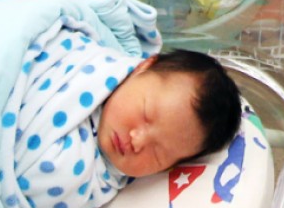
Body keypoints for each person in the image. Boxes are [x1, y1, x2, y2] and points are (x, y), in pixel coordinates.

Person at [96, 48, 242, 178]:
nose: (137, 141)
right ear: (143, 67)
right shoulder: (92, 64)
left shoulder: (97, 184)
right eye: (145, 114)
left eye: (157, 153)